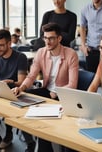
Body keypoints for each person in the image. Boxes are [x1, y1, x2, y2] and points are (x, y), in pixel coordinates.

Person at [13, 22, 79, 152]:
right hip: (47, 91)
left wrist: (57, 92)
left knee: (44, 121)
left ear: (59, 38)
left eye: (51, 38)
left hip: (64, 95)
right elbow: (31, 76)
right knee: (20, 100)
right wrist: (22, 88)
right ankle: (32, 142)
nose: (47, 42)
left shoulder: (71, 54)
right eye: (45, 38)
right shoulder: (41, 52)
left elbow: (73, 84)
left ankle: (44, 145)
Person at [0, 29, 28, 152]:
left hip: (15, 93)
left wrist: (10, 82)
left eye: (1, 45)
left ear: (9, 44)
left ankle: (8, 136)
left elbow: (21, 82)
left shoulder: (20, 57)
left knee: (9, 109)